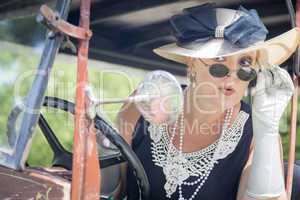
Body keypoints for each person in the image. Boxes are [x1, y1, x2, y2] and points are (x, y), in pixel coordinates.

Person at [116, 3, 300, 200]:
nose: (232, 77)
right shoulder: (143, 104)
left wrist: (267, 128)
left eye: (244, 63)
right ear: (193, 64)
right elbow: (103, 190)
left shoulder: (256, 133)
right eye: (219, 60)